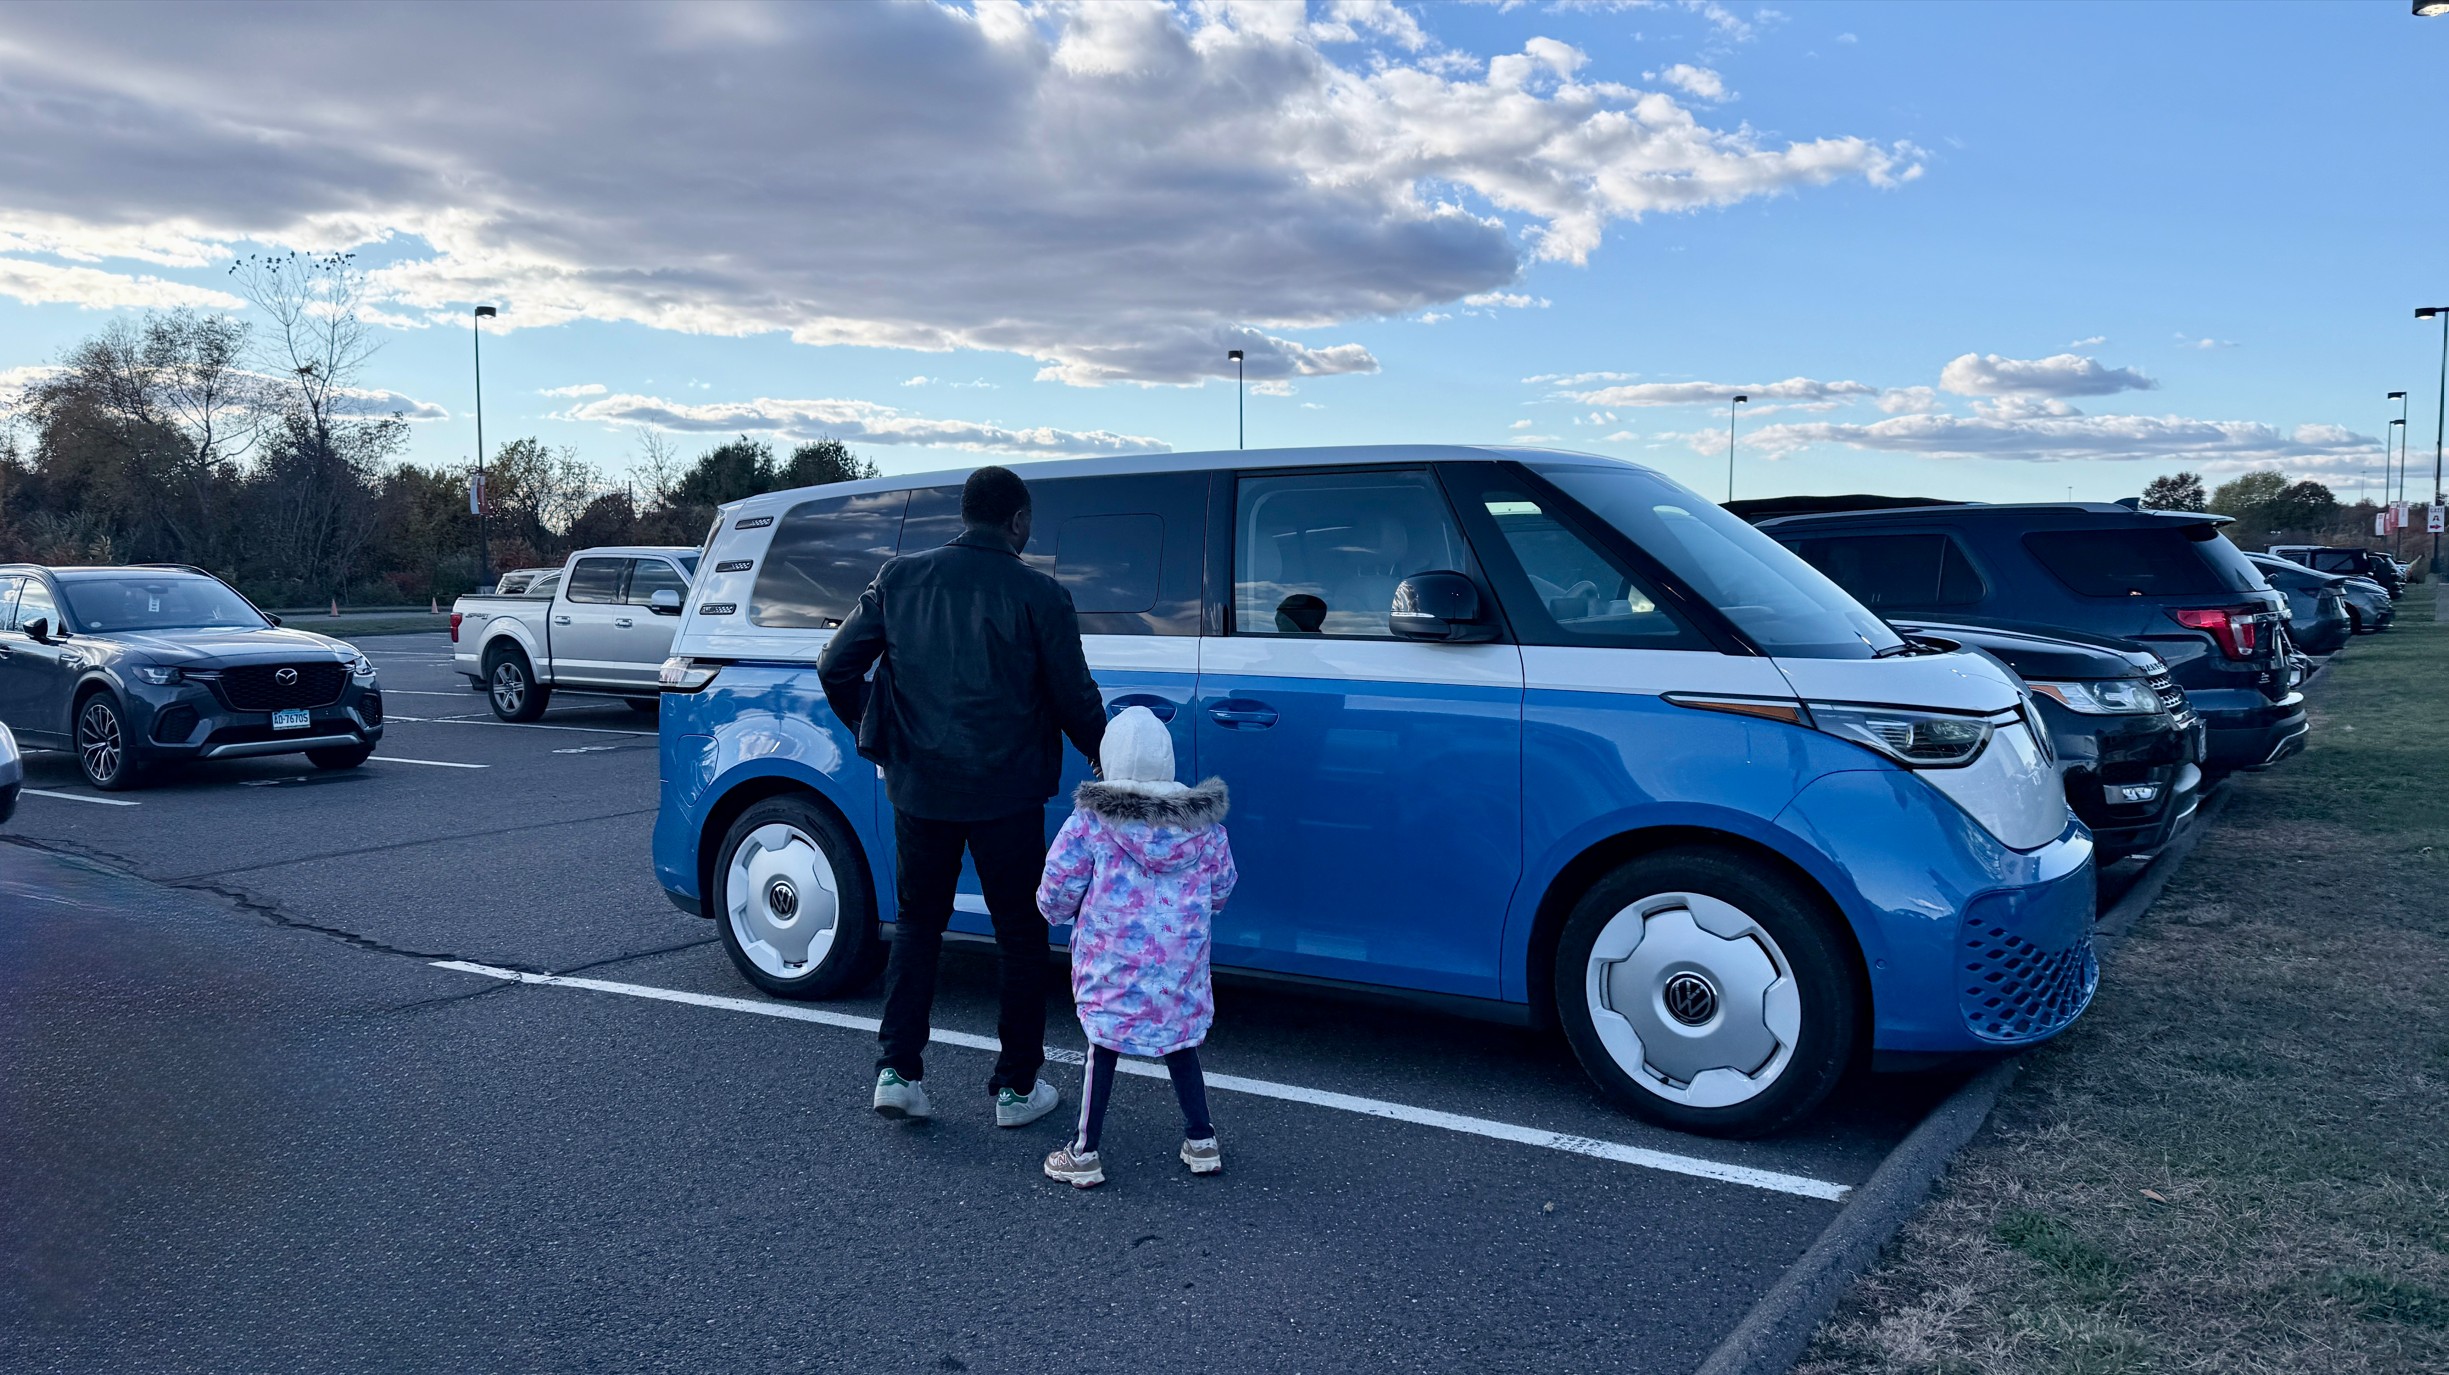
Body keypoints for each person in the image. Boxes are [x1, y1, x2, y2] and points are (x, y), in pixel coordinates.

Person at [817, 465, 1107, 1128]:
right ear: (1017, 520)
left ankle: (898, 1072)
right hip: (1008, 789)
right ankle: (1016, 1088)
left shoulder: (899, 578)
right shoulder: (1041, 593)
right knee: (1020, 932)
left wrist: (880, 732)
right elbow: (1075, 699)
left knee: (918, 923)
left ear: (965, 514)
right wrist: (1111, 759)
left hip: (920, 786)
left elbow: (834, 665)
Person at [1036, 706, 1236, 1188]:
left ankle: (1084, 1152)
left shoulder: (1090, 823)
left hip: (1111, 966)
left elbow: (1058, 887)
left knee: (1102, 1047)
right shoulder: (1204, 828)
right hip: (1179, 967)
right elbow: (1223, 888)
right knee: (1180, 1044)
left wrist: (1055, 913)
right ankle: (1202, 1140)